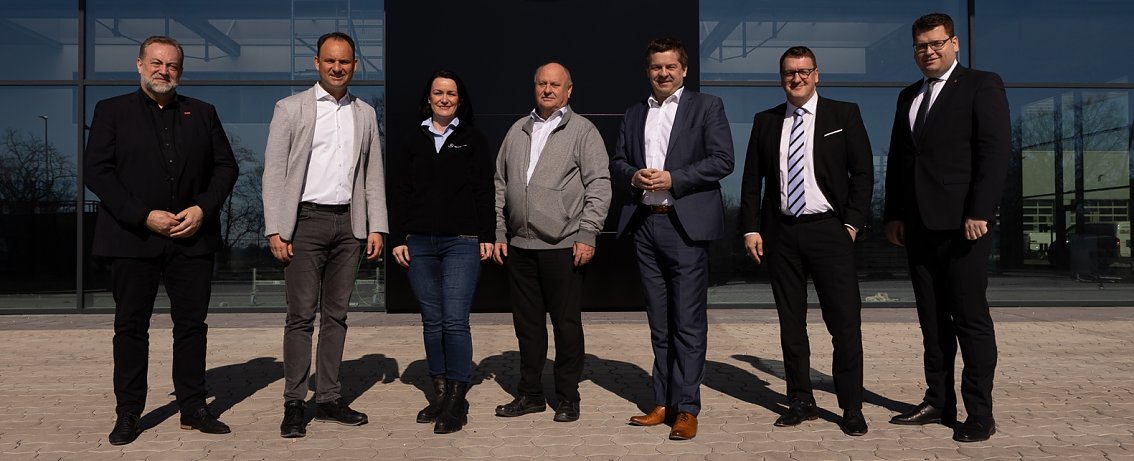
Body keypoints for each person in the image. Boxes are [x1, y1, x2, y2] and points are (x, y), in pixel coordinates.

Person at [84, 35, 239, 445]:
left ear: (180, 71)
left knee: (191, 326)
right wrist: (143, 215)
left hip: (192, 238)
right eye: (156, 63)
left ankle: (193, 407)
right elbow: (97, 171)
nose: (163, 71)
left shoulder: (202, 113)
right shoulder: (111, 111)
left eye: (171, 65)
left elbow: (226, 167)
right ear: (139, 65)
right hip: (132, 238)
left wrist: (202, 208)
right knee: (130, 327)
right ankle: (129, 413)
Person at [883, 12, 1010, 443]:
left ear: (954, 43)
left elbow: (995, 151)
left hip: (963, 226)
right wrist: (894, 214)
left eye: (936, 43)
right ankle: (938, 400)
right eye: (921, 45)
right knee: (932, 321)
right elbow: (900, 161)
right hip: (918, 226)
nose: (929, 51)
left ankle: (980, 412)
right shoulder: (908, 96)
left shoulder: (981, 84)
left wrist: (980, 210)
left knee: (970, 320)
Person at [738, 46, 873, 436]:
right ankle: (801, 400)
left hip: (830, 230)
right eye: (789, 72)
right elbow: (752, 180)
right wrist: (751, 228)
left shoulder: (843, 115)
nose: (796, 78)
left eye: (803, 71)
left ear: (816, 74)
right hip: (782, 233)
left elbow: (863, 173)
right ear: (781, 78)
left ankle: (851, 406)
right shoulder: (765, 121)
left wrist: (852, 224)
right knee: (791, 323)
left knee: (844, 323)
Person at [262, 31, 387, 439]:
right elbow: (274, 172)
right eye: (330, 60)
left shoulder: (364, 113)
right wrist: (275, 228)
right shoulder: (290, 108)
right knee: (300, 316)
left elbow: (372, 173)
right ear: (317, 63)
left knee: (337, 316)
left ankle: (329, 398)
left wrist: (376, 226)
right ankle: (294, 402)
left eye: (344, 61)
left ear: (354, 66)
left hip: (349, 225)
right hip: (304, 222)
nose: (337, 67)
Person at [610, 37, 734, 441]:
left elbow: (723, 160)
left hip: (685, 228)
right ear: (648, 71)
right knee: (660, 324)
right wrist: (634, 175)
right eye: (655, 67)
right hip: (645, 226)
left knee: (688, 323)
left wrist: (673, 178)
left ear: (684, 70)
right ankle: (662, 402)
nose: (663, 73)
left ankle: (686, 408)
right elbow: (617, 161)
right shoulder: (634, 113)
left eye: (670, 67)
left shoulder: (707, 106)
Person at [492, 62, 611, 423]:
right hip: (520, 247)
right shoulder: (517, 130)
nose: (547, 89)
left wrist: (587, 233)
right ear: (535, 87)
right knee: (527, 327)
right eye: (542, 83)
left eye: (555, 85)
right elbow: (499, 183)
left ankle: (567, 397)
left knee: (566, 326)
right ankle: (530, 395)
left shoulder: (583, 131)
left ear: (568, 90)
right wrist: (500, 231)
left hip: (564, 246)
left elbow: (599, 184)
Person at [388, 70, 494, 434]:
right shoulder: (411, 139)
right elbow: (400, 191)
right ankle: (440, 394)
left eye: (451, 93)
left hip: (461, 241)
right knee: (432, 321)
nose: (445, 98)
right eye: (438, 93)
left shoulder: (473, 139)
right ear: (428, 98)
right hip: (418, 243)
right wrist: (398, 238)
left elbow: (484, 190)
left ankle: (457, 401)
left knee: (454, 321)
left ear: (460, 100)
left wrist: (487, 235)